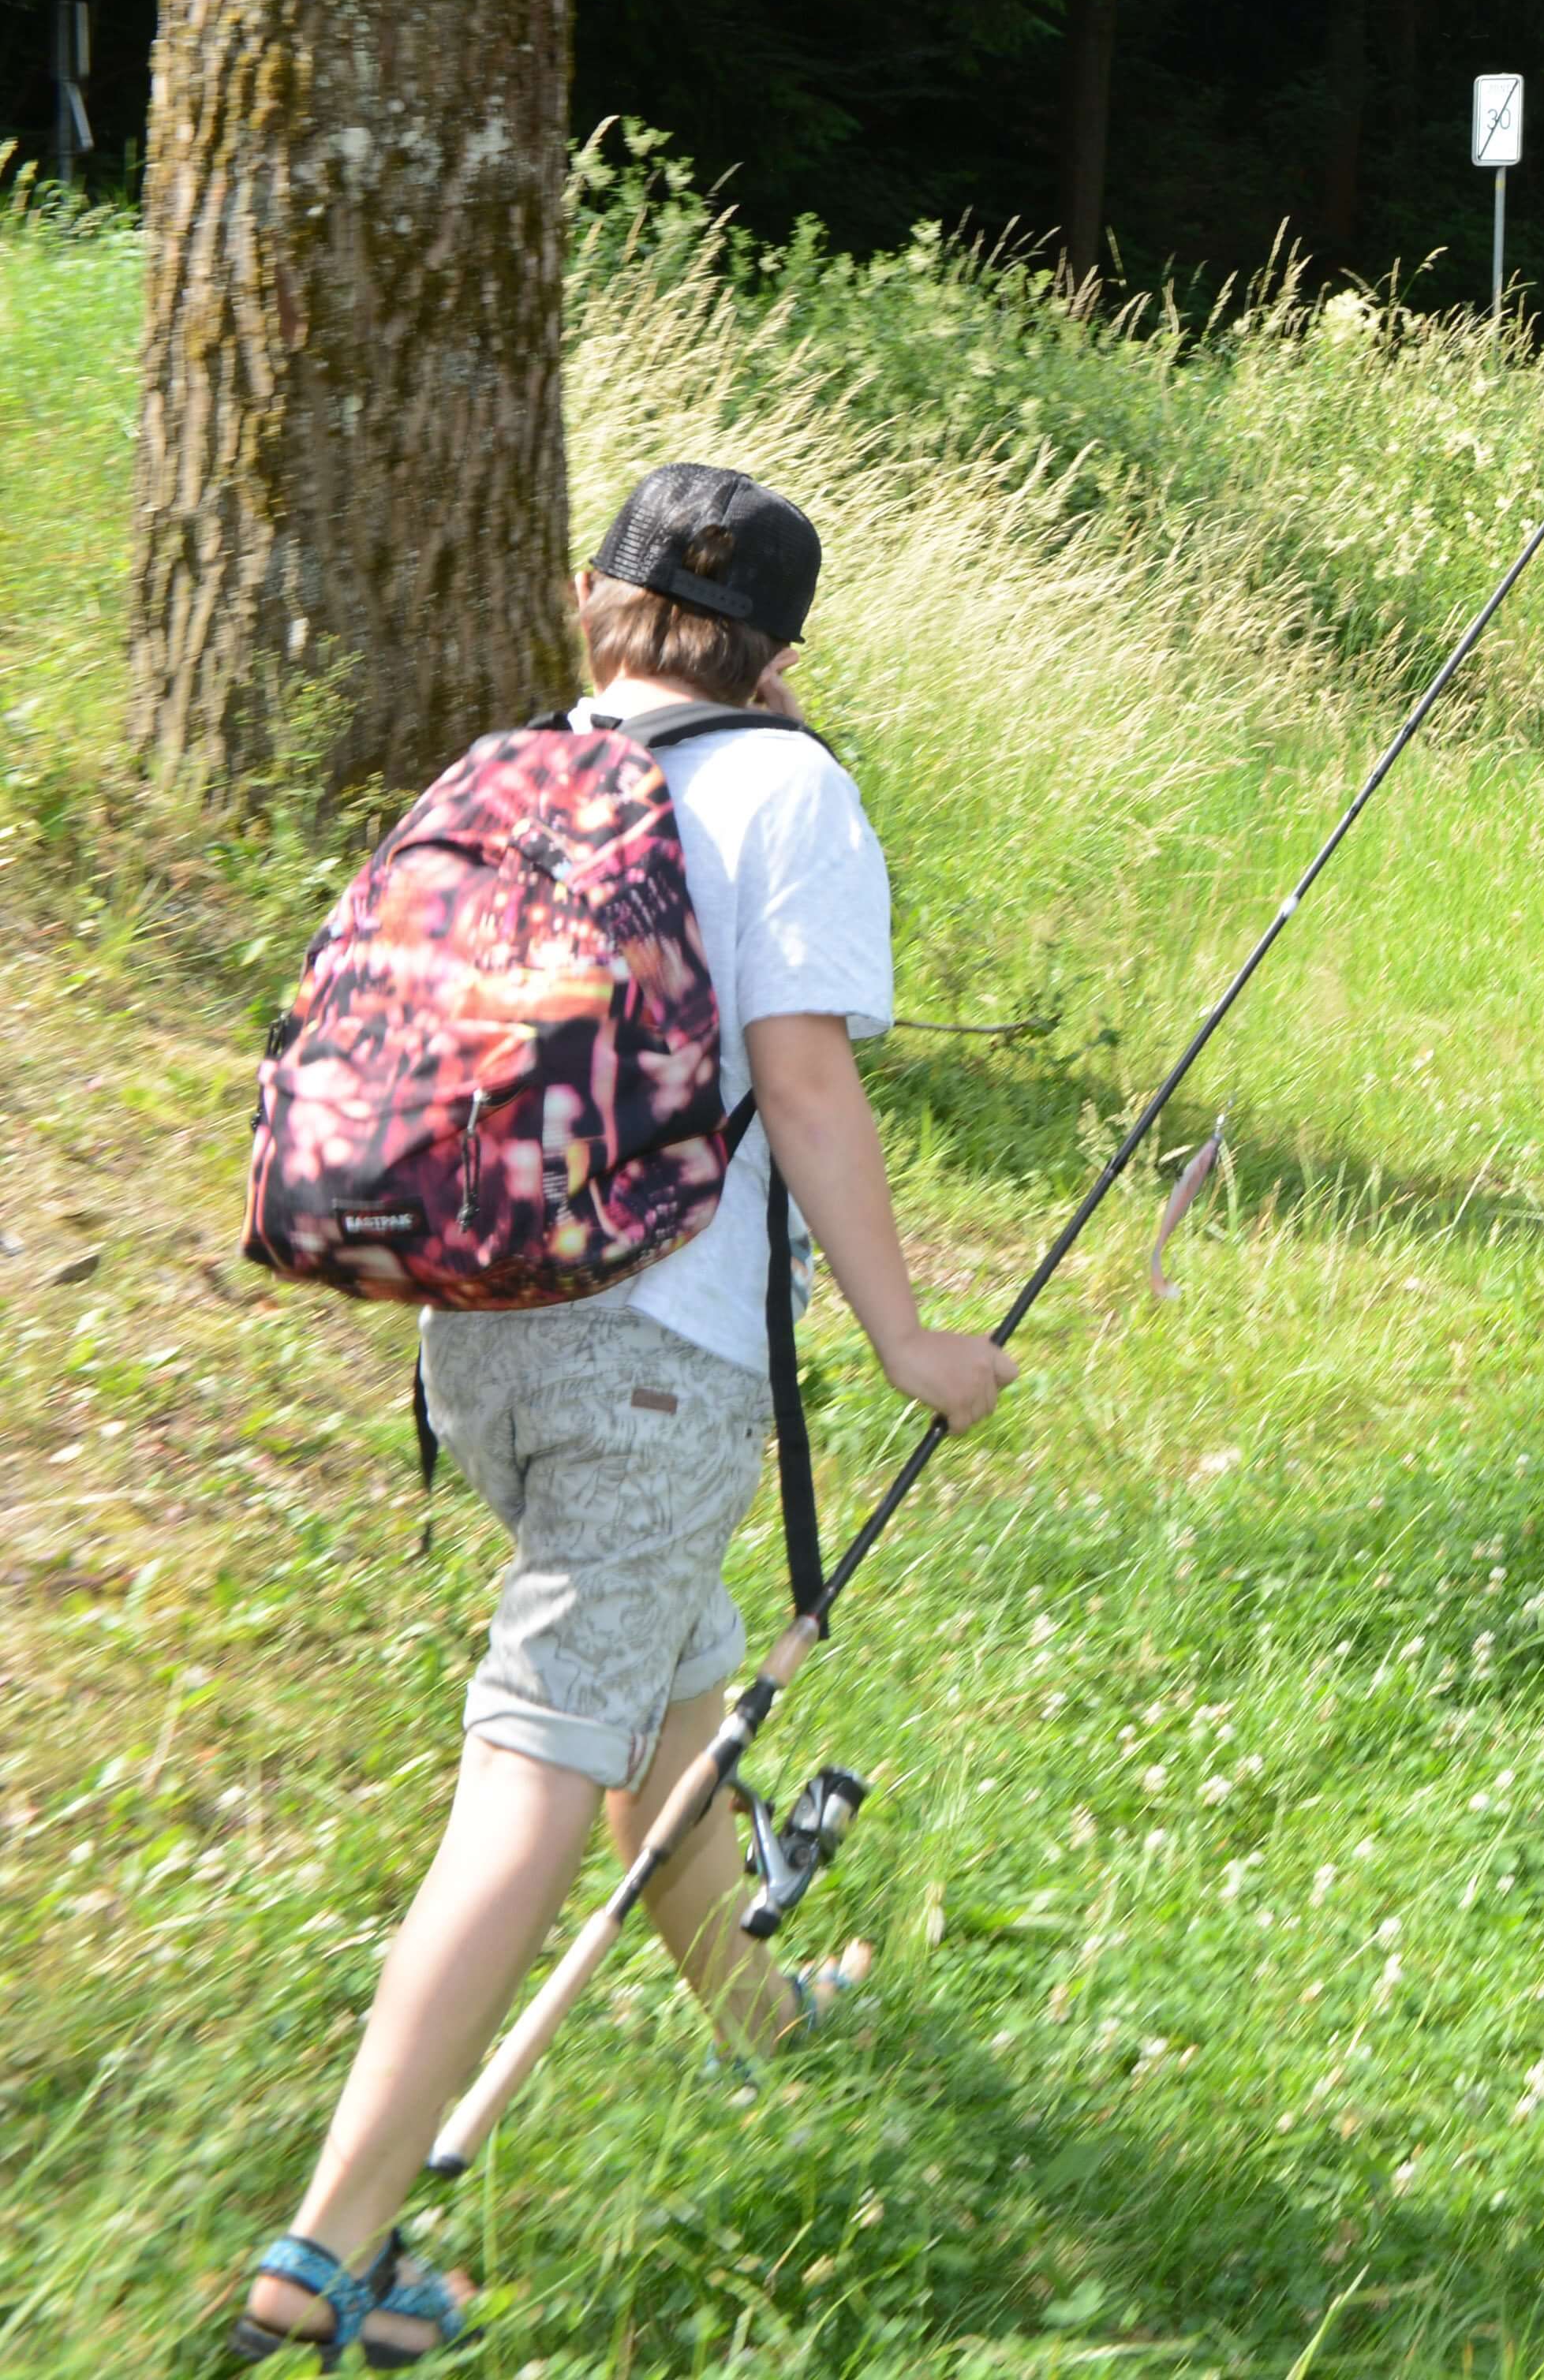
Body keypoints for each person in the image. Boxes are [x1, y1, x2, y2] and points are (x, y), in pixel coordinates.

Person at [230, 467, 1021, 2368]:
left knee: (674, 1685)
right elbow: (805, 1083)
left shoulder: (515, 767)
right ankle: (328, 2249)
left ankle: (753, 2008)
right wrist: (913, 1339)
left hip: (475, 1335)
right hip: (659, 1356)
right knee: (536, 1769)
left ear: (601, 608)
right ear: (784, 648)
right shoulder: (784, 790)